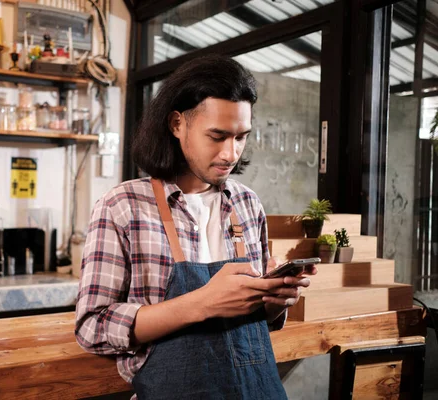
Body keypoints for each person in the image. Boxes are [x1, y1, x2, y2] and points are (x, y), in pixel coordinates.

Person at [75, 55, 316, 399]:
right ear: (177, 124)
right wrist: (202, 303)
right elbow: (92, 327)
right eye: (217, 136)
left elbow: (255, 326)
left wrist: (276, 300)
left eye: (241, 137)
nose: (231, 153)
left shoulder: (247, 205)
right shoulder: (123, 207)